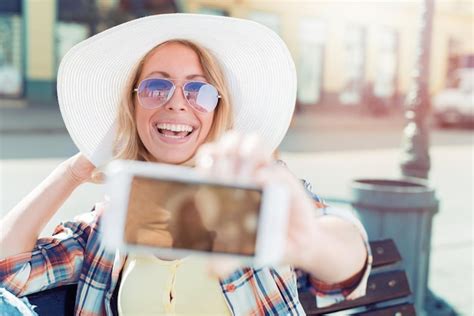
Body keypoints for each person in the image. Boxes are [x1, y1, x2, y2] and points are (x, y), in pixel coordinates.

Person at [0, 13, 372, 315]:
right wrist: (72, 173)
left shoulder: (259, 192)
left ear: (216, 109)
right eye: (156, 88)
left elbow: (348, 266)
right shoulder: (110, 220)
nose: (177, 103)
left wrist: (311, 243)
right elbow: (10, 273)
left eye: (199, 89)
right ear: (133, 107)